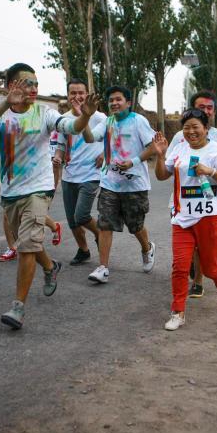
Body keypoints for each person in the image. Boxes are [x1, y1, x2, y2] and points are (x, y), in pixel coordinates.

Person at [0, 63, 100, 330]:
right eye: (27, 83)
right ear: (12, 86)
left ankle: (17, 307)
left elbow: (72, 126)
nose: (33, 88)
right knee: (28, 242)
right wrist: (4, 104)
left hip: (39, 189)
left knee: (25, 245)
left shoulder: (45, 113)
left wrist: (85, 117)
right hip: (10, 191)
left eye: (36, 83)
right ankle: (50, 266)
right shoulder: (0, 115)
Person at [152, 108, 217, 330]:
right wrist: (161, 156)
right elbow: (162, 176)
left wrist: (209, 171)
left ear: (206, 129)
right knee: (180, 267)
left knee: (209, 267)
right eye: (186, 128)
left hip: (210, 216)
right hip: (182, 216)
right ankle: (178, 312)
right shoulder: (179, 149)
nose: (191, 132)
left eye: (195, 127)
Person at [166, 90, 217, 298]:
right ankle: (185, 292)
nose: (205, 110)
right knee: (186, 250)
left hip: (208, 201)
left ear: (213, 113)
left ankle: (199, 280)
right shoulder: (181, 137)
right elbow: (168, 164)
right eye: (201, 107)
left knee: (203, 249)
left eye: (209, 108)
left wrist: (213, 167)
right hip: (183, 201)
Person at [86, 85, 157, 284]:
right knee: (105, 224)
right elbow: (89, 137)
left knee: (135, 226)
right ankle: (103, 268)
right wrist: (85, 117)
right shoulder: (107, 122)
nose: (114, 103)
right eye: (111, 100)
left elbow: (153, 146)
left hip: (135, 184)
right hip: (110, 182)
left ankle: (147, 248)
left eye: (118, 99)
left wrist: (132, 162)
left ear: (128, 103)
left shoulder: (138, 121)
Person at [56, 78, 105, 266]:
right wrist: (58, 157)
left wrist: (104, 154)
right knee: (72, 221)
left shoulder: (99, 117)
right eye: (73, 93)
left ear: (87, 94)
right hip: (69, 175)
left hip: (91, 174)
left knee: (81, 215)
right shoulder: (63, 119)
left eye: (81, 93)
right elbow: (61, 144)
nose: (77, 96)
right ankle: (84, 250)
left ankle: (100, 234)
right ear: (68, 95)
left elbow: (114, 142)